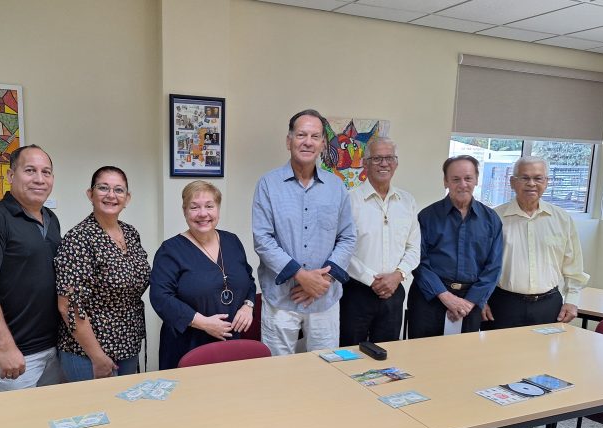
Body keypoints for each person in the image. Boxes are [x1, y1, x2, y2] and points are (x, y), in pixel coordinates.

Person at [481, 156, 590, 428]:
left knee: (537, 367)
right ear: (512, 181)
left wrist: (573, 300)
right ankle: (494, 425)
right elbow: (484, 264)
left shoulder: (561, 218)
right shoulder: (496, 216)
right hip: (504, 302)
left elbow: (573, 264)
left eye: (538, 178)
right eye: (525, 178)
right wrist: (482, 299)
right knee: (497, 365)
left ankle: (526, 425)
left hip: (548, 304)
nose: (531, 184)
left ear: (546, 182)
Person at [407, 154, 502, 428]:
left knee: (462, 368)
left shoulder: (491, 220)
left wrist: (471, 302)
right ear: (445, 181)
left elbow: (493, 267)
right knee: (424, 366)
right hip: (430, 298)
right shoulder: (427, 216)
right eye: (456, 178)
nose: (462, 184)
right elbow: (418, 261)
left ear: (476, 180)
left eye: (468, 178)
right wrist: (445, 296)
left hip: (470, 302)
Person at [252, 109, 356, 359]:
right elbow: (263, 239)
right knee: (277, 372)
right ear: (289, 141)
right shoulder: (268, 185)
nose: (307, 141)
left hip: (324, 298)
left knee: (325, 370)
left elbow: (347, 237)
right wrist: (301, 276)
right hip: (281, 299)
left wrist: (321, 282)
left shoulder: (336, 186)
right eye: (301, 134)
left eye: (315, 136)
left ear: (322, 143)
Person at [0, 144, 63, 393]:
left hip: (53, 348)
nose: (39, 179)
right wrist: (5, 347)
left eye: (46, 172)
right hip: (15, 357)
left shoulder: (51, 219)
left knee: (50, 424)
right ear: (10, 176)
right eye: (30, 170)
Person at [54, 166, 150, 381]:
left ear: (127, 198)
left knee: (124, 412)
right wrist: (97, 356)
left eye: (118, 190)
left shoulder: (131, 233)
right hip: (88, 352)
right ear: (90, 194)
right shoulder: (79, 238)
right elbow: (68, 305)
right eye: (103, 188)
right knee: (95, 413)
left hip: (128, 345)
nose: (111, 195)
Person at [150, 181, 256, 370]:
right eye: (194, 207)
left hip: (231, 342)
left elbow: (248, 280)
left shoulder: (232, 241)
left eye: (209, 206)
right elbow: (160, 298)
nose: (203, 214)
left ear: (218, 209)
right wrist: (204, 323)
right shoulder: (170, 250)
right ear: (184, 211)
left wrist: (248, 306)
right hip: (187, 345)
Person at [340, 137, 420, 346]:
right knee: (350, 354)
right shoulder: (349, 200)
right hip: (356, 292)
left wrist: (397, 275)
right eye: (377, 158)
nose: (384, 164)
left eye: (389, 158)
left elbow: (413, 247)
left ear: (396, 163)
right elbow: (341, 249)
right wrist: (371, 280)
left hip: (394, 293)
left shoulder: (407, 201)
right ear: (365, 163)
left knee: (388, 356)